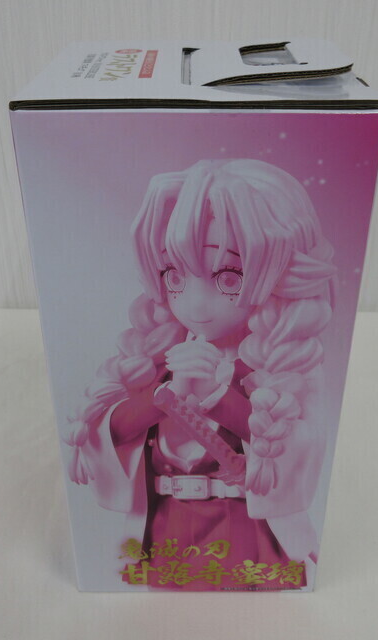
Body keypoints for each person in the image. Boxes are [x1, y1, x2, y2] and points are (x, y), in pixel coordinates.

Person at [65, 158, 337, 590]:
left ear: (278, 274)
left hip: (244, 532)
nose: (194, 304)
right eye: (174, 274)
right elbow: (108, 431)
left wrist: (219, 398)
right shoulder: (157, 356)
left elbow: (300, 453)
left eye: (228, 276)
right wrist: (165, 395)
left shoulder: (280, 368)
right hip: (167, 528)